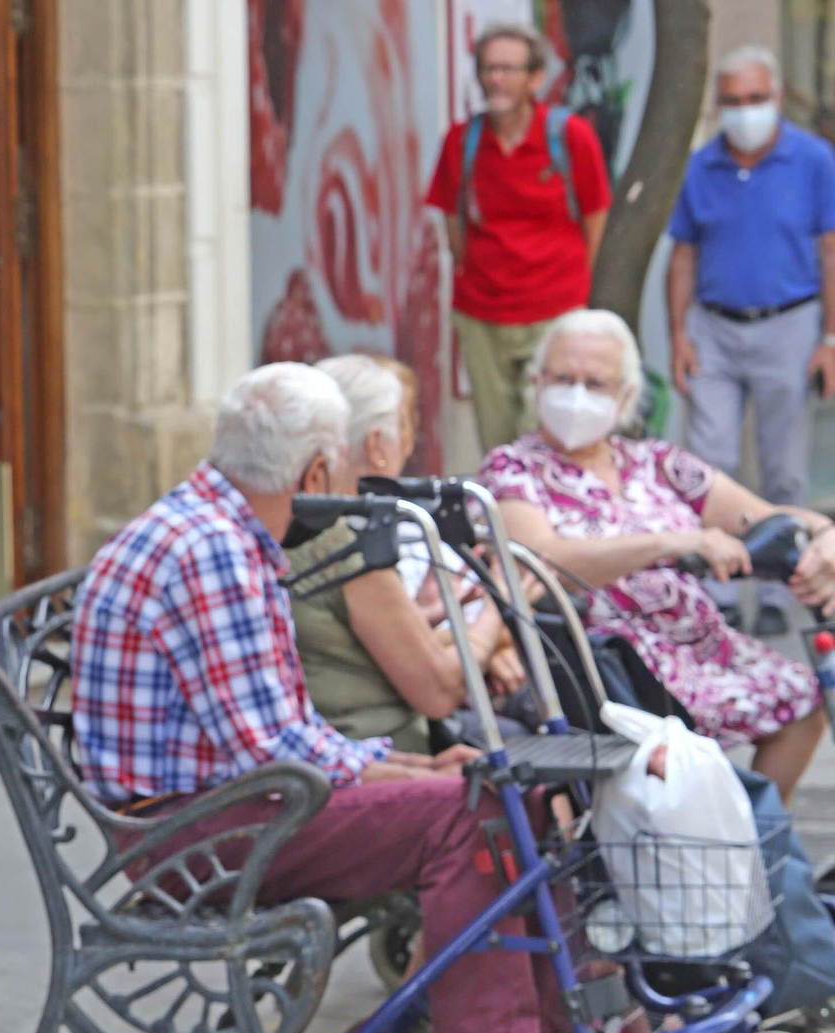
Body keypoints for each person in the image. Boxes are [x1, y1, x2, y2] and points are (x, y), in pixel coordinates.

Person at [69, 362, 569, 1033]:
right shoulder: (213, 548)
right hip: (194, 837)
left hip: (220, 812)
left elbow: (285, 739)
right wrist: (418, 778)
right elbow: (274, 752)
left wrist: (407, 769)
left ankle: (532, 1026)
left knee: (505, 792)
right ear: (315, 475)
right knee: (477, 808)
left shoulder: (216, 527)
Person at [480, 309, 835, 801]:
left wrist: (824, 534)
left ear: (626, 396)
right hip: (616, 667)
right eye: (563, 379)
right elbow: (543, 557)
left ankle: (745, 838)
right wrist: (672, 543)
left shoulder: (657, 462)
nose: (577, 394)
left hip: (706, 648)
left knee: (806, 698)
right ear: (537, 385)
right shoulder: (514, 468)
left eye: (595, 382)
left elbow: (765, 517)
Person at [666, 45, 835, 636]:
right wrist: (679, 336)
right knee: (709, 465)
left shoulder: (814, 160)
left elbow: (830, 250)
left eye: (755, 99)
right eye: (732, 102)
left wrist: (830, 339)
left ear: (778, 98)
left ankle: (780, 593)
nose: (744, 112)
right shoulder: (699, 165)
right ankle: (715, 592)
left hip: (791, 322)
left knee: (784, 472)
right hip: (713, 326)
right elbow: (682, 255)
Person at [290, 354, 532, 753]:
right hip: (374, 753)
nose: (411, 439)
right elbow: (439, 691)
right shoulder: (342, 543)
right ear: (376, 446)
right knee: (537, 771)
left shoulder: (305, 525)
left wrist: (425, 618)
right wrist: (500, 603)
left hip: (342, 747)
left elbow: (353, 652)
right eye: (405, 425)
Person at [426, 23, 613, 453]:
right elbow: (452, 221)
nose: (496, 79)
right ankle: (505, 518)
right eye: (489, 69)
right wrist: (473, 268)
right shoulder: (462, 141)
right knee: (495, 436)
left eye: (509, 69)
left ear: (535, 78)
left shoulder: (569, 137)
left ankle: (546, 517)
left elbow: (596, 217)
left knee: (548, 430)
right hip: (482, 310)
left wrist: (578, 288)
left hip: (554, 308)